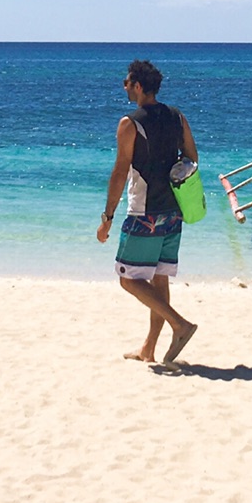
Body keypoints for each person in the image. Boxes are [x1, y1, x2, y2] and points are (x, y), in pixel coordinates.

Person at [97, 58, 199, 364]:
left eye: (127, 82)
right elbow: (192, 157)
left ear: (138, 87)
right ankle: (149, 349)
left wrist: (107, 218)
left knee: (128, 278)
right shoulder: (177, 117)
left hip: (144, 213)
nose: (124, 86)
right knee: (159, 279)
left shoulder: (131, 123)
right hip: (173, 212)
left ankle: (179, 325)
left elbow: (119, 172)